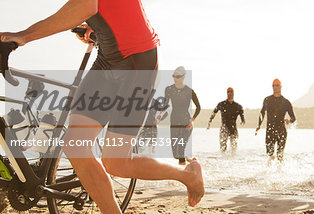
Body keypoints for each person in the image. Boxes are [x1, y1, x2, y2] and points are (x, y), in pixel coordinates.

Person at [0, 1, 204, 213]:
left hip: (136, 61)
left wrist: (23, 36)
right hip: (107, 58)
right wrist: (94, 24)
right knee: (75, 147)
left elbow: (85, 6)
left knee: (116, 162)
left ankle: (188, 174)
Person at [163, 66, 201, 165]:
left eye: (178, 76)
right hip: (174, 121)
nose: (175, 78)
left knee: (180, 148)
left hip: (186, 123)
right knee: (175, 154)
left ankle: (183, 173)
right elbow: (164, 105)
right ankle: (188, 158)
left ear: (183, 77)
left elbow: (198, 107)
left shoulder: (189, 91)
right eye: (174, 76)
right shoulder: (169, 89)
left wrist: (192, 120)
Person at [255, 79, 296, 162]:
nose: (275, 87)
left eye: (277, 85)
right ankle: (269, 172)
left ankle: (280, 171)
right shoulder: (267, 100)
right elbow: (262, 113)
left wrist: (289, 121)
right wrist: (259, 125)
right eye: (273, 85)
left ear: (281, 86)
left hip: (281, 130)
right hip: (270, 130)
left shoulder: (286, 102)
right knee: (270, 154)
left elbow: (293, 118)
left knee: (280, 155)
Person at [207, 87, 245, 154]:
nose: (230, 93)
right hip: (224, 127)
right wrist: (209, 122)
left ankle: (233, 159)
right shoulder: (221, 104)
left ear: (233, 93)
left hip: (233, 128)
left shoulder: (238, 106)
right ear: (226, 93)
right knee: (223, 146)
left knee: (234, 147)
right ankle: (223, 159)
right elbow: (214, 112)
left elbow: (243, 117)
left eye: (231, 92)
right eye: (228, 92)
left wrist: (242, 121)